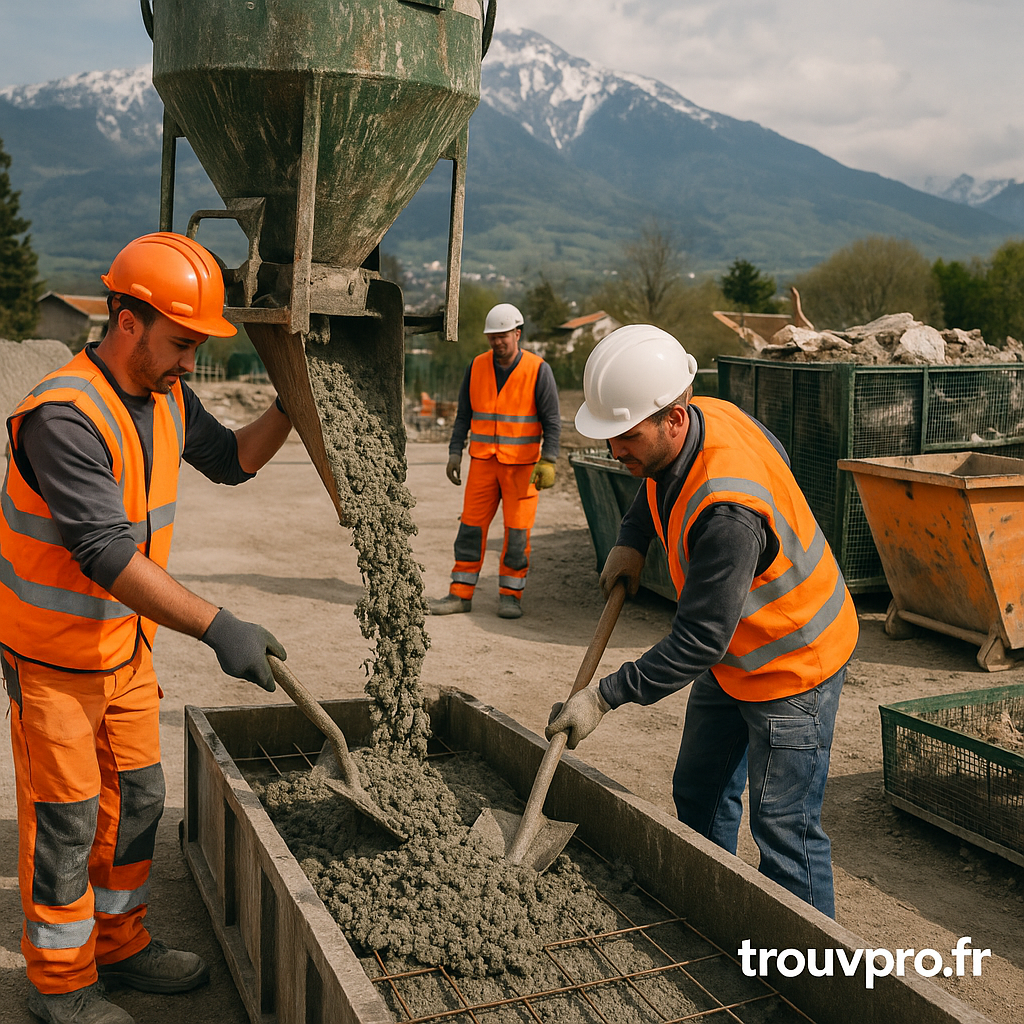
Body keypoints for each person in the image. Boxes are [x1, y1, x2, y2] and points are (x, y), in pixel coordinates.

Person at [1, 232, 293, 1024]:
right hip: (53, 662)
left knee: (137, 799)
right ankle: (61, 985)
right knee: (64, 822)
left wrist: (291, 407)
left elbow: (232, 461)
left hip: (124, 651)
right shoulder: (62, 415)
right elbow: (101, 550)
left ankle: (122, 943)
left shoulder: (166, 398)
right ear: (126, 319)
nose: (189, 362)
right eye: (181, 343)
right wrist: (217, 625)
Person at [546, 324, 858, 918]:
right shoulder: (706, 414)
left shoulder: (727, 514)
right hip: (737, 648)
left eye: (627, 436)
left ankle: (810, 977)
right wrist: (635, 537)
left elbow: (698, 642)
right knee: (700, 789)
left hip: (794, 662)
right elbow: (666, 473)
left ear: (674, 417)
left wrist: (603, 697)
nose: (616, 452)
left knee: (785, 831)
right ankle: (713, 917)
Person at [427, 303, 561, 620]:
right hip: (483, 464)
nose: (497, 342)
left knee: (516, 536)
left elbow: (552, 421)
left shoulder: (538, 370)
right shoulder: (476, 367)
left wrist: (549, 460)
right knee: (470, 531)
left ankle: (510, 597)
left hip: (522, 468)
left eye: (503, 336)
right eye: (492, 337)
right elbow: (463, 416)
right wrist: (454, 451)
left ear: (517, 334)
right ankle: (460, 594)